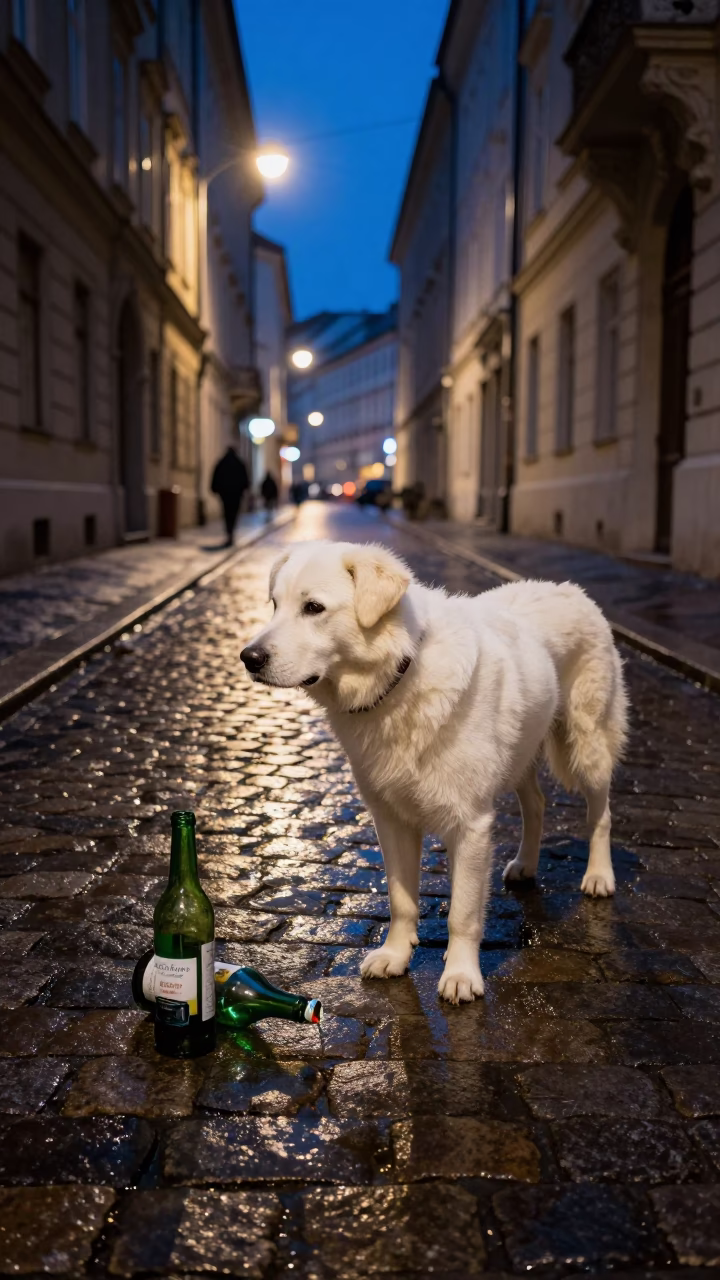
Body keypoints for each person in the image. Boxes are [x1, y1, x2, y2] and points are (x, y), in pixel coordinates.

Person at [211, 445, 249, 546]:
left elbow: (216, 477)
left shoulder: (222, 463)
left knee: (227, 513)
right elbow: (245, 479)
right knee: (234, 513)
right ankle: (231, 532)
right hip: (236, 494)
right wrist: (244, 489)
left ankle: (229, 532)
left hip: (225, 494)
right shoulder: (239, 464)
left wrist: (215, 489)